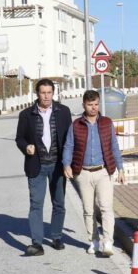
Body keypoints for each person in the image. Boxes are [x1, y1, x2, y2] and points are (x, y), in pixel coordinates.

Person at [62, 89, 125, 257]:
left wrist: (121, 169)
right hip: (83, 173)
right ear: (84, 105)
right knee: (88, 210)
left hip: (103, 171)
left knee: (106, 207)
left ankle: (108, 242)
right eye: (90, 105)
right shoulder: (76, 125)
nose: (94, 108)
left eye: (96, 104)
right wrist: (66, 165)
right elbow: (68, 146)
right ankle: (94, 241)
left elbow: (114, 146)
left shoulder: (106, 123)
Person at [15, 78, 73, 257]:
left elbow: (69, 140)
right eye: (43, 93)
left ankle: (56, 236)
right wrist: (26, 147)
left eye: (49, 93)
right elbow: (20, 138)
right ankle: (37, 243)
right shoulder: (26, 114)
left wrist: (68, 163)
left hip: (57, 165)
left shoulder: (63, 112)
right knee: (36, 204)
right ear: (37, 94)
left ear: (53, 93)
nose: (46, 96)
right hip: (36, 165)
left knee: (59, 203)